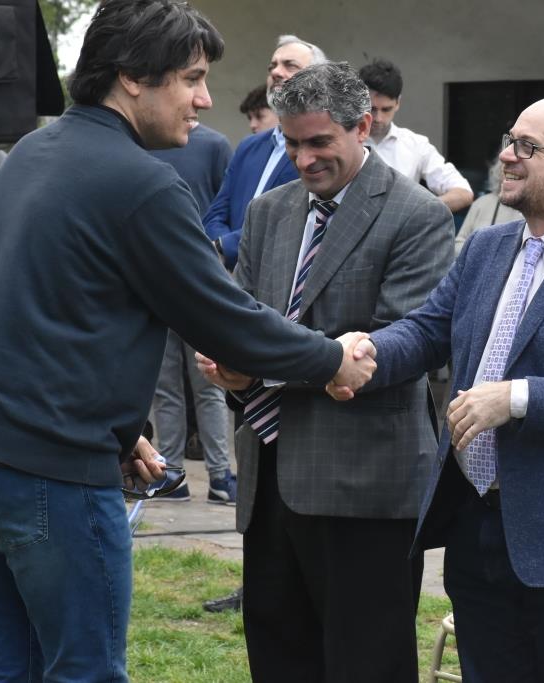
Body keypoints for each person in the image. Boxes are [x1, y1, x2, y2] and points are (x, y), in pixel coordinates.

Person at [0, 2, 373, 680]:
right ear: (132, 76)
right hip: (56, 474)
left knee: (2, 665)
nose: (205, 99)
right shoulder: (142, 184)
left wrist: (120, 430)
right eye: (191, 78)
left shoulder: (28, 155)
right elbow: (226, 320)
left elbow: (25, 310)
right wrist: (332, 356)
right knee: (85, 670)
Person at [330, 97, 544, 682]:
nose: (508, 156)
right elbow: (428, 330)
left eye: (527, 147)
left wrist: (517, 398)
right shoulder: (487, 248)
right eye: (510, 140)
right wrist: (360, 353)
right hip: (476, 528)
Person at [196, 62, 454, 681]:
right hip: (269, 477)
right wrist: (232, 369)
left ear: (362, 126)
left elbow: (406, 343)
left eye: (318, 142)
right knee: (279, 657)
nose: (303, 159)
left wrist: (263, 366)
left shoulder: (417, 215)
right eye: (290, 143)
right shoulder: (268, 212)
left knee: (366, 663)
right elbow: (241, 319)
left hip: (364, 486)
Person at [149, 121, 236, 502]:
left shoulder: (215, 144)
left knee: (210, 382)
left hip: (201, 281)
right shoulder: (143, 141)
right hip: (152, 280)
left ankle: (220, 477)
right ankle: (170, 476)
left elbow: (227, 209)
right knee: (164, 387)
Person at [204, 34, 325, 269]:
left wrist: (226, 247)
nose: (276, 72)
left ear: (318, 81)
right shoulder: (249, 146)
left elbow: (293, 222)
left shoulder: (320, 152)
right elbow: (216, 212)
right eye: (272, 66)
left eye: (290, 65)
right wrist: (219, 250)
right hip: (226, 274)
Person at [359, 58, 474, 213]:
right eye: (371, 109)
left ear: (398, 102)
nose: (378, 118)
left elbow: (463, 192)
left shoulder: (416, 145)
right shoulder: (344, 140)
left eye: (386, 109)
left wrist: (414, 213)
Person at [454, 158, 522, 256]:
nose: (512, 172)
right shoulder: (481, 203)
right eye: (507, 165)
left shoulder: (533, 210)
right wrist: (478, 253)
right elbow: (458, 243)